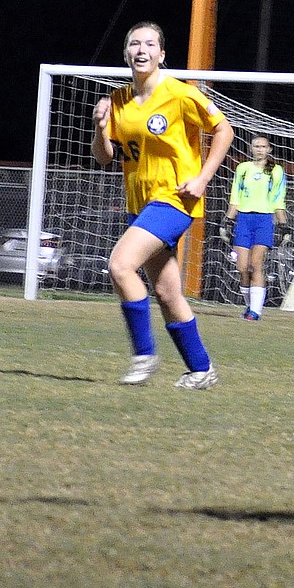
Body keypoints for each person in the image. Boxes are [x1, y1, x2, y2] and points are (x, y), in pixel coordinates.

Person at [91, 21, 235, 389]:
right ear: (126, 53)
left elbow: (224, 130)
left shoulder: (180, 94)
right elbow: (106, 158)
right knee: (168, 293)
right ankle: (201, 369)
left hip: (174, 200)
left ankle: (144, 355)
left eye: (150, 44)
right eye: (135, 44)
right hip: (139, 203)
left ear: (162, 54)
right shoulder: (118, 99)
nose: (142, 50)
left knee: (120, 265)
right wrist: (100, 128)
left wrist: (202, 179)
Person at [219, 133, 288, 320]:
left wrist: (284, 226)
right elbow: (235, 196)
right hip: (244, 220)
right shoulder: (243, 169)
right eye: (256, 146)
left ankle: (255, 312)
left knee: (255, 264)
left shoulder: (276, 170)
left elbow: (278, 199)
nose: (259, 149)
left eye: (263, 146)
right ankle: (250, 306)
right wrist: (227, 221)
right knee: (242, 267)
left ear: (269, 149)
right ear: (251, 149)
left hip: (264, 220)